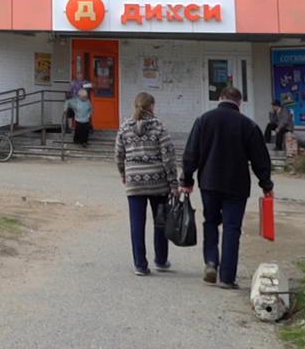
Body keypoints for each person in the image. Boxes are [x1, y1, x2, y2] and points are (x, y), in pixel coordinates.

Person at [180, 86, 273, 292]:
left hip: (209, 182)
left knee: (211, 221)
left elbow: (191, 153)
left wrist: (186, 179)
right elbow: (260, 159)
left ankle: (211, 262)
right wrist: (266, 184)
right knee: (232, 229)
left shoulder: (204, 120)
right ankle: (227, 277)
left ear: (219, 99)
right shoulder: (248, 125)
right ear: (239, 102)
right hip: (237, 185)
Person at [115, 92, 181, 276]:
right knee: (160, 221)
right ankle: (160, 260)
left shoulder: (124, 127)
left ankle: (140, 265)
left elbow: (119, 154)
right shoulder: (159, 127)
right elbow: (168, 156)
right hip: (158, 182)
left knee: (137, 224)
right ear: (151, 106)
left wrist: (123, 173)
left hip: (134, 182)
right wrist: (173, 183)